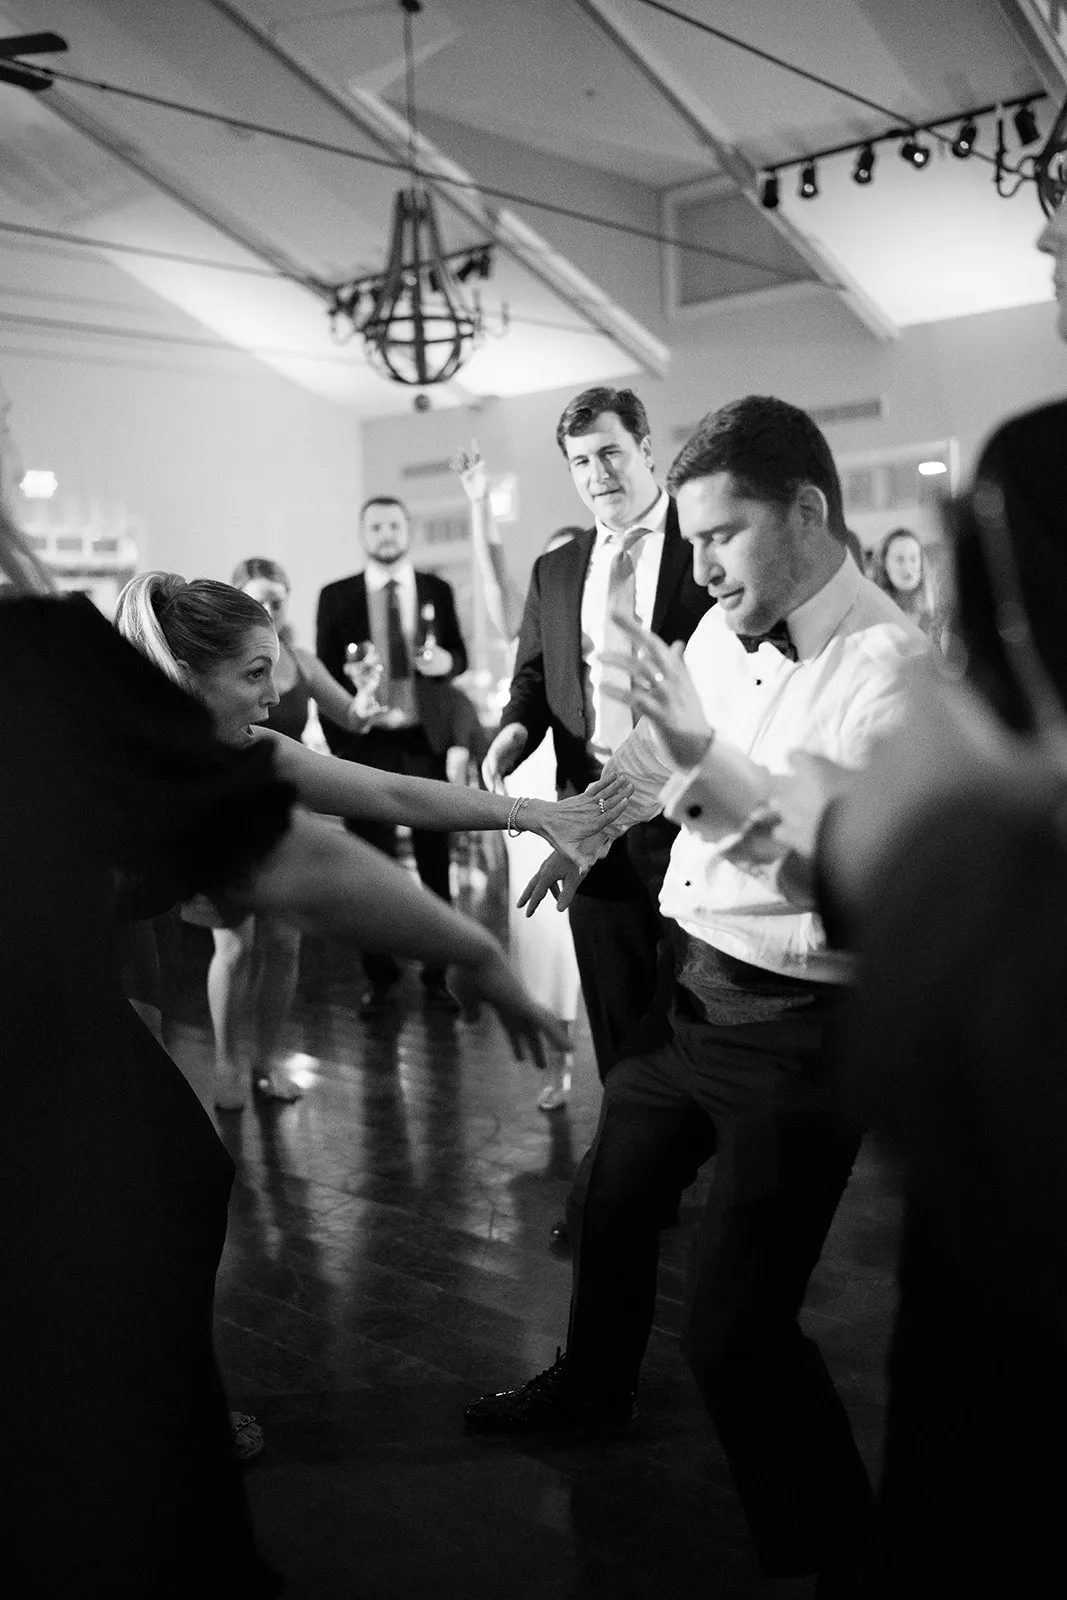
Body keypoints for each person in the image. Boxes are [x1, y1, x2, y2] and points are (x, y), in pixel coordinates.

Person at [0, 507, 573, 1596]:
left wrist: (522, 837)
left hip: (65, 1047)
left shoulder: (67, 673)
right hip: (49, 1070)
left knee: (174, 1188)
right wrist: (472, 949)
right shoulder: (54, 665)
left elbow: (367, 806)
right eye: (254, 671)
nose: (275, 693)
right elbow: (275, 847)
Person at [465, 396, 928, 1597]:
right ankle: (593, 1382)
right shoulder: (725, 630)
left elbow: (844, 874)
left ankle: (840, 1560)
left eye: (718, 535)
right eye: (692, 538)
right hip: (692, 1000)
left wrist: (702, 762)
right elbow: (646, 760)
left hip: (797, 1038)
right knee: (613, 1195)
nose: (698, 562)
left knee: (734, 1335)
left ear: (805, 511)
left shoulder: (889, 670)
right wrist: (579, 833)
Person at [481, 386, 712, 1212]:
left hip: (693, 812)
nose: (597, 473)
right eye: (579, 461)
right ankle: (634, 1182)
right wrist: (513, 731)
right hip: (589, 813)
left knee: (697, 1000)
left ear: (645, 447)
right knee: (614, 1008)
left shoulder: (705, 541)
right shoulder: (557, 566)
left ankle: (696, 1155)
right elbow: (536, 679)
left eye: (610, 452)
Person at [191, 556, 383, 1107]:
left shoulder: (298, 659)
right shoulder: (217, 666)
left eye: (277, 599)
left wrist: (365, 698)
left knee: (283, 944)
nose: (270, 609)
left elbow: (350, 717)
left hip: (288, 815)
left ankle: (267, 1061)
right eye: (258, 600)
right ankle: (228, 1064)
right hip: (226, 814)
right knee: (234, 945)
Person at [457, 443, 583, 1111]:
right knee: (542, 932)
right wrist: (479, 504)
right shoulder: (528, 620)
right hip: (531, 775)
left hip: (593, 776)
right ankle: (560, 1062)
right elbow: (488, 573)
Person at [316, 495, 470, 1017]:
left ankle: (437, 976)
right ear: (364, 534)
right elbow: (328, 678)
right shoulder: (335, 596)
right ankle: (379, 981)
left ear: (408, 531)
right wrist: (345, 746)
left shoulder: (436, 589)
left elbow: (460, 656)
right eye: (376, 526)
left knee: (435, 868)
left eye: (394, 524)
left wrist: (444, 660)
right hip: (367, 745)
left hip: (423, 740)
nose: (386, 533)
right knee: (369, 870)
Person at [873, 526, 943, 644]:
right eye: (899, 559)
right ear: (884, 565)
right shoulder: (872, 619)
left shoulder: (939, 617)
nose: (907, 567)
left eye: (913, 558)